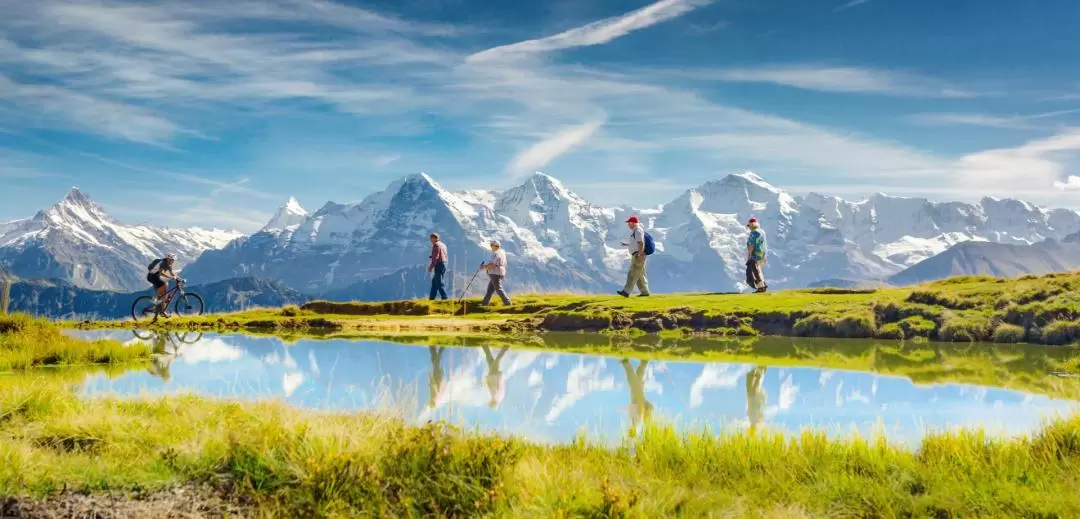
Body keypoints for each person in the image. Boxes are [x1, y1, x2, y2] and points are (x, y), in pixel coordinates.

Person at [618, 216, 650, 297]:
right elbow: (636, 243)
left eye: (629, 223)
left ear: (633, 223)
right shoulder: (636, 231)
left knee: (632, 273)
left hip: (638, 255)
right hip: (637, 254)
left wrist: (639, 254)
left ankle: (626, 291)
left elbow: (641, 243)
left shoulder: (638, 231)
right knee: (640, 275)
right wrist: (627, 245)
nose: (628, 225)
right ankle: (645, 292)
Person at [479, 240, 512, 306]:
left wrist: (483, 267)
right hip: (500, 272)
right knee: (490, 289)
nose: (491, 247)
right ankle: (484, 303)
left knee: (498, 288)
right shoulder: (502, 252)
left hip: (495, 273)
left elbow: (492, 265)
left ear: (494, 246)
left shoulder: (496, 254)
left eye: (491, 245)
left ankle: (507, 302)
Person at [745, 217, 768, 293]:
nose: (749, 228)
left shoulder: (754, 233)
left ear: (751, 225)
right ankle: (762, 286)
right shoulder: (762, 232)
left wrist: (749, 255)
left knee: (755, 271)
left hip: (755, 254)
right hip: (763, 254)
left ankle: (761, 287)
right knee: (758, 270)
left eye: (749, 226)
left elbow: (751, 245)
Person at [427, 233, 448, 300]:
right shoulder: (443, 244)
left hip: (439, 264)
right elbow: (443, 254)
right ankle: (431, 298)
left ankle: (444, 297)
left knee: (439, 281)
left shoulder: (436, 245)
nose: (430, 240)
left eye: (431, 239)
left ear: (434, 238)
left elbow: (436, 257)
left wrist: (431, 266)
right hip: (445, 263)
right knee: (434, 281)